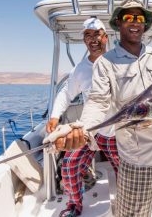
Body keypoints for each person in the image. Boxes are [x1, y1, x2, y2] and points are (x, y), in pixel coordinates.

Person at [54, 0, 152, 216]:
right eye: (128, 17)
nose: (135, 22)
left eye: (140, 18)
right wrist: (83, 129)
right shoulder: (105, 63)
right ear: (118, 22)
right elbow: (98, 101)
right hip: (139, 157)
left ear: (145, 24)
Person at [45, 18, 119, 217]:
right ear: (84, 40)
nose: (93, 39)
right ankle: (75, 205)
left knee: (126, 172)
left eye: (97, 34)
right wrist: (54, 116)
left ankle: (126, 203)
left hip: (117, 133)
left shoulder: (120, 61)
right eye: (88, 35)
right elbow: (66, 93)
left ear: (106, 37)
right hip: (91, 132)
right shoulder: (80, 69)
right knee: (69, 166)